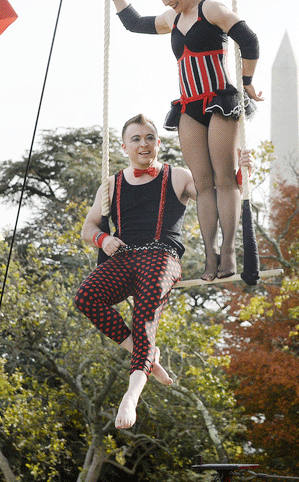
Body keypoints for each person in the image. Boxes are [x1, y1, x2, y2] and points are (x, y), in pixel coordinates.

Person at [75, 113, 252, 429]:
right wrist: (103, 239)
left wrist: (239, 176)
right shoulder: (111, 184)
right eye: (136, 139)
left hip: (161, 256)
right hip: (124, 258)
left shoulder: (178, 176)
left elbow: (216, 198)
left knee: (144, 316)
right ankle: (145, 354)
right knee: (86, 297)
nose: (143, 144)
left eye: (149, 138)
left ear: (158, 142)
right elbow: (88, 227)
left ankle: (132, 394)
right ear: (125, 146)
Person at [101, 0, 263, 282]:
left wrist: (247, 82)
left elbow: (249, 40)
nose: (166, 2)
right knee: (202, 184)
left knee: (223, 179)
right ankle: (210, 254)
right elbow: (133, 22)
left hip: (220, 101)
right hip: (189, 106)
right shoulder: (170, 18)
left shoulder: (211, 9)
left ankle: (229, 250)